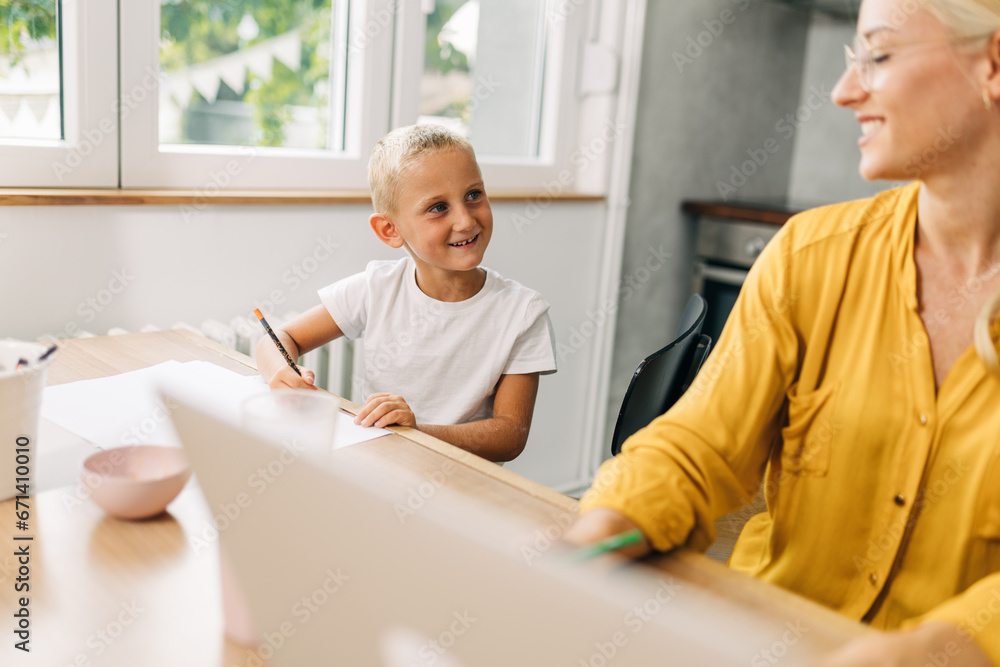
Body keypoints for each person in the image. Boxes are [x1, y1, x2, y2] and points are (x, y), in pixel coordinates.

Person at [564, 0, 1000, 664]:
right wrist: (610, 523)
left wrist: (940, 646)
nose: (843, 91)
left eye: (878, 55)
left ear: (993, 63)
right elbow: (699, 443)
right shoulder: (809, 254)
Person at [255, 124, 557, 463]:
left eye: (473, 195)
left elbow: (510, 435)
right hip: (382, 469)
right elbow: (278, 337)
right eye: (438, 207)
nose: (465, 220)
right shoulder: (375, 287)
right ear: (390, 230)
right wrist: (279, 371)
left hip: (466, 485)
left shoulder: (523, 311)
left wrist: (416, 431)